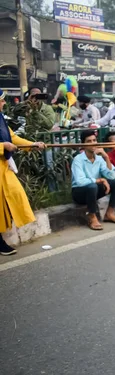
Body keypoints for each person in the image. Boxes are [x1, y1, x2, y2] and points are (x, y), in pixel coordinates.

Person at [0, 89, 45, 255]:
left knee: (15, 196)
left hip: (4, 168)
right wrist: (2, 146)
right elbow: (6, 143)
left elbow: (13, 139)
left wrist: (32, 144)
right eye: (2, 100)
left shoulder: (1, 119)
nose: (4, 103)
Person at [71, 130, 115, 230]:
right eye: (89, 141)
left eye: (94, 140)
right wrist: (99, 180)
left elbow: (111, 176)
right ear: (83, 144)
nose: (93, 143)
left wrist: (106, 157)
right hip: (79, 193)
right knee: (92, 186)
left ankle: (110, 213)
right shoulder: (78, 160)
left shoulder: (99, 159)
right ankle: (92, 217)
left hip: (94, 190)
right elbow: (80, 181)